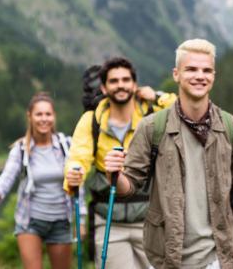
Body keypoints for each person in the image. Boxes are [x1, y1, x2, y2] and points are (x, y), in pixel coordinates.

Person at [104, 39, 233, 269]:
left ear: (214, 76)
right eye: (191, 69)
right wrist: (114, 174)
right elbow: (129, 187)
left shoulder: (230, 127)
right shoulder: (152, 127)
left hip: (217, 259)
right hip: (165, 258)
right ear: (176, 74)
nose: (200, 75)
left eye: (206, 70)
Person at [64, 57, 176, 269]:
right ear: (104, 88)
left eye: (126, 80)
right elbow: (78, 156)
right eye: (114, 81)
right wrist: (74, 173)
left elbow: (189, 111)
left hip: (150, 222)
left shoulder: (153, 116)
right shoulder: (91, 121)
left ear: (135, 85)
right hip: (108, 222)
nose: (121, 85)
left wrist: (158, 96)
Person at [0, 92, 85, 269]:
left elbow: (78, 184)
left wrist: (81, 219)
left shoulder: (66, 145)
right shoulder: (21, 149)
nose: (44, 119)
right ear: (30, 116)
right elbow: (7, 177)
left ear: (54, 116)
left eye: (48, 114)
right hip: (30, 221)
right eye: (39, 114)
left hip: (61, 220)